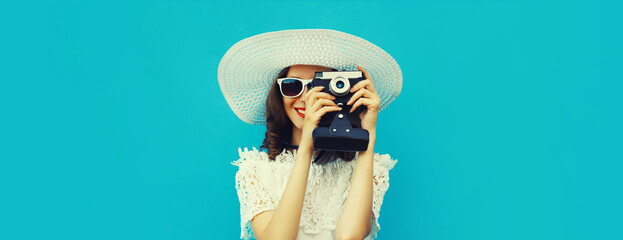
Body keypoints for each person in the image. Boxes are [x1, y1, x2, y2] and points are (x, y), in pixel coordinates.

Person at [218, 29, 402, 240]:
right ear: (278, 95)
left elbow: (350, 236)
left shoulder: (368, 169)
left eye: (319, 87)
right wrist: (307, 144)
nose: (307, 98)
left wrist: (367, 132)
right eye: (293, 86)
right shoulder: (257, 171)